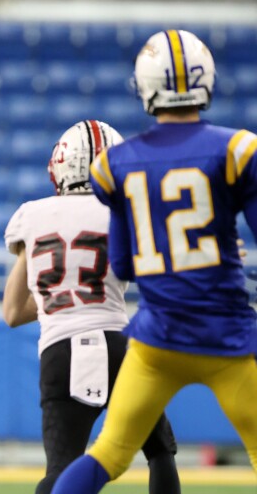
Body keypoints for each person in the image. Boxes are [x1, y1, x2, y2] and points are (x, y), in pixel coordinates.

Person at [52, 30, 257, 494]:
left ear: (145, 86)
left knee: (108, 454)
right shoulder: (237, 149)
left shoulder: (117, 163)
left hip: (157, 342)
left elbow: (123, 266)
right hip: (227, 337)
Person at [2, 120, 181, 494]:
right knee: (160, 452)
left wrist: (55, 290)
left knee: (61, 469)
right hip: (120, 345)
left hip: (61, 351)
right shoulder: (127, 212)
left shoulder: (32, 215)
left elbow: (13, 312)